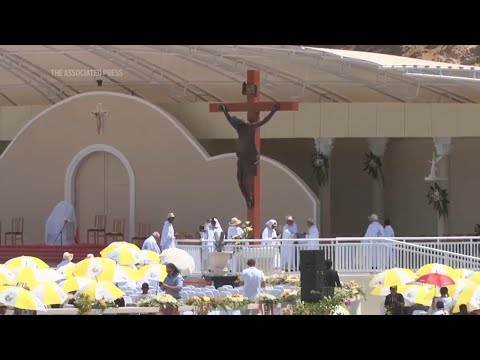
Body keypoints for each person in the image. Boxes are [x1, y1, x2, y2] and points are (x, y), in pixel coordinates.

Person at [219, 103, 280, 208]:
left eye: (236, 122)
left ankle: (249, 199)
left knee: (245, 178)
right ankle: (247, 198)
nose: (235, 124)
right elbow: (229, 120)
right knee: (239, 178)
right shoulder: (239, 128)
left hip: (250, 157)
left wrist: (273, 111)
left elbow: (263, 121)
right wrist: (224, 111)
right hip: (242, 157)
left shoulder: (250, 127)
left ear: (240, 122)